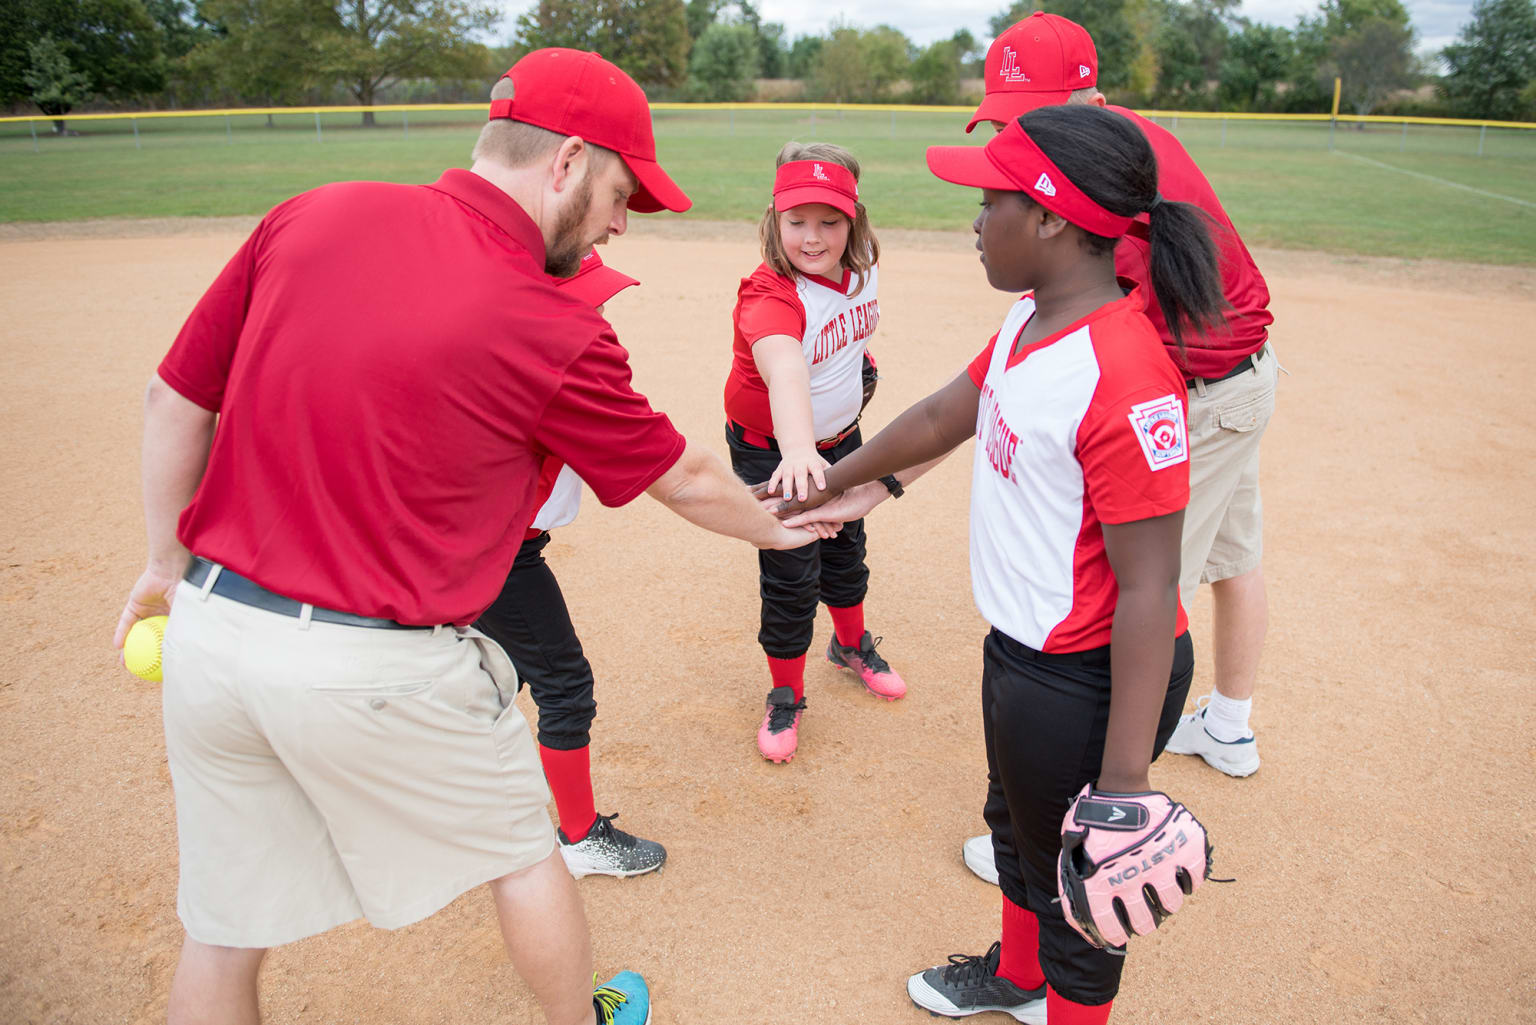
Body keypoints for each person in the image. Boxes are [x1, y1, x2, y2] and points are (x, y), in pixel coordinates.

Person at [112, 49, 819, 1025]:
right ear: (567, 163)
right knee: (525, 851)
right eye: (623, 193)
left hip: (210, 631)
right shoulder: (544, 317)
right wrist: (788, 533)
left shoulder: (312, 211)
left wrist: (162, 562)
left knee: (223, 932)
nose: (622, 221)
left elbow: (175, 396)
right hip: (369, 667)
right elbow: (691, 480)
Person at [775, 104, 1226, 1024]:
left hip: (1094, 670)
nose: (975, 224)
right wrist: (833, 482)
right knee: (1014, 830)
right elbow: (949, 410)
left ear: (1054, 217)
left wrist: (1129, 782)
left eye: (992, 204)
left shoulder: (1125, 371)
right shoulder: (1034, 314)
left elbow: (1149, 586)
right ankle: (1018, 979)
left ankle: (1054, 985)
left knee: (1082, 892)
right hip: (1024, 649)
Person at [972, 10, 1278, 784]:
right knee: (1235, 556)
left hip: (1199, 394)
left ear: (1093, 98)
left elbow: (1088, 332)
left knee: (1143, 594)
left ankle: (1095, 802)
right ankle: (1230, 727)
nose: (1022, 136)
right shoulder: (1115, 145)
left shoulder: (1105, 176)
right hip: (1236, 379)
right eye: (1009, 120)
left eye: (1035, 113)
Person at [474, 247, 666, 879]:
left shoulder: (515, 349)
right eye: (587, 301)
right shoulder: (552, 364)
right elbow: (667, 473)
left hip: (479, 547)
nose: (602, 311)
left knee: (489, 672)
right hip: (496, 553)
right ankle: (580, 836)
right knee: (563, 683)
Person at [723, 141, 907, 764]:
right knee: (792, 569)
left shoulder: (865, 267)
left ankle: (850, 646)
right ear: (774, 220)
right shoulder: (769, 292)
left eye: (829, 220)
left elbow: (848, 339)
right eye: (796, 219)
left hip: (840, 439)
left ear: (854, 220)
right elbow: (784, 369)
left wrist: (858, 374)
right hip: (774, 450)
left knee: (848, 546)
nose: (812, 236)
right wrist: (799, 448)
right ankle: (785, 692)